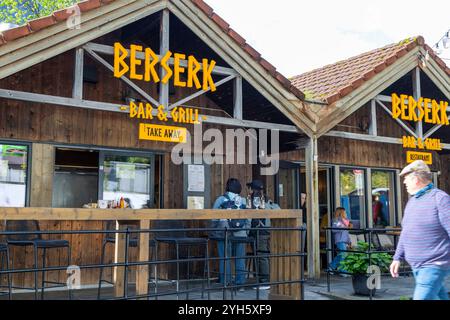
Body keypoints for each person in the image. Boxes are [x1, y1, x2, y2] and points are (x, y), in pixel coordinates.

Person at [390, 160, 450, 300]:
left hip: (434, 265)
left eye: (406, 179)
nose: (404, 183)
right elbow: (406, 232)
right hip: (417, 267)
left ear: (416, 179)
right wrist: (397, 257)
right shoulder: (412, 202)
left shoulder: (440, 199)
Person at [210, 178, 250, 290]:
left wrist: (213, 231)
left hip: (224, 233)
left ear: (227, 187)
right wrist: (246, 230)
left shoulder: (221, 200)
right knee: (240, 258)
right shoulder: (243, 201)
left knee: (225, 258)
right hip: (241, 234)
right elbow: (249, 217)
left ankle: (225, 282)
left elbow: (214, 218)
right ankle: (240, 284)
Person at [247, 179, 275, 290]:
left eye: (250, 188)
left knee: (261, 256)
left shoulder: (254, 200)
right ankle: (263, 280)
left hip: (259, 231)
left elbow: (250, 215)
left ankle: (265, 281)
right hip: (264, 230)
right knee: (261, 255)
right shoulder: (267, 199)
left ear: (253, 189)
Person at [329, 207, 352, 276]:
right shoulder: (336, 220)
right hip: (339, 240)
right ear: (341, 213)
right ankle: (342, 271)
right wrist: (342, 228)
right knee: (343, 254)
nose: (346, 213)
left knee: (341, 255)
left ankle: (331, 267)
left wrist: (349, 241)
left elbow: (346, 233)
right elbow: (333, 230)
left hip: (344, 241)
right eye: (345, 212)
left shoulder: (345, 221)